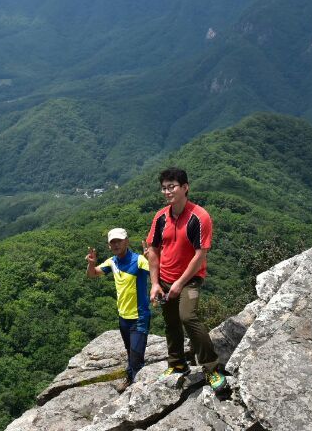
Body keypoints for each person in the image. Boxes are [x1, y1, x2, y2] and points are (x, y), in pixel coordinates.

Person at [145, 167, 227, 393]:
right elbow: (153, 250)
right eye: (164, 188)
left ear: (185, 187)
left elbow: (200, 256)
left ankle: (212, 368)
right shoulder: (161, 217)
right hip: (165, 278)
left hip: (190, 279)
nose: (167, 192)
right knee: (171, 321)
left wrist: (179, 283)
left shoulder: (199, 217)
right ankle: (177, 363)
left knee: (188, 317)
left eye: (172, 187)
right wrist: (155, 283)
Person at [86, 227, 151, 391]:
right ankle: (130, 377)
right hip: (123, 317)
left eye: (119, 241)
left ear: (126, 241)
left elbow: (158, 271)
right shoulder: (112, 262)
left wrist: (152, 258)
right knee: (130, 351)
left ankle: (138, 388)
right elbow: (92, 274)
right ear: (109, 245)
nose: (116, 245)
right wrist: (91, 264)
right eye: (112, 242)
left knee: (136, 354)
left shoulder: (139, 260)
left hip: (139, 316)